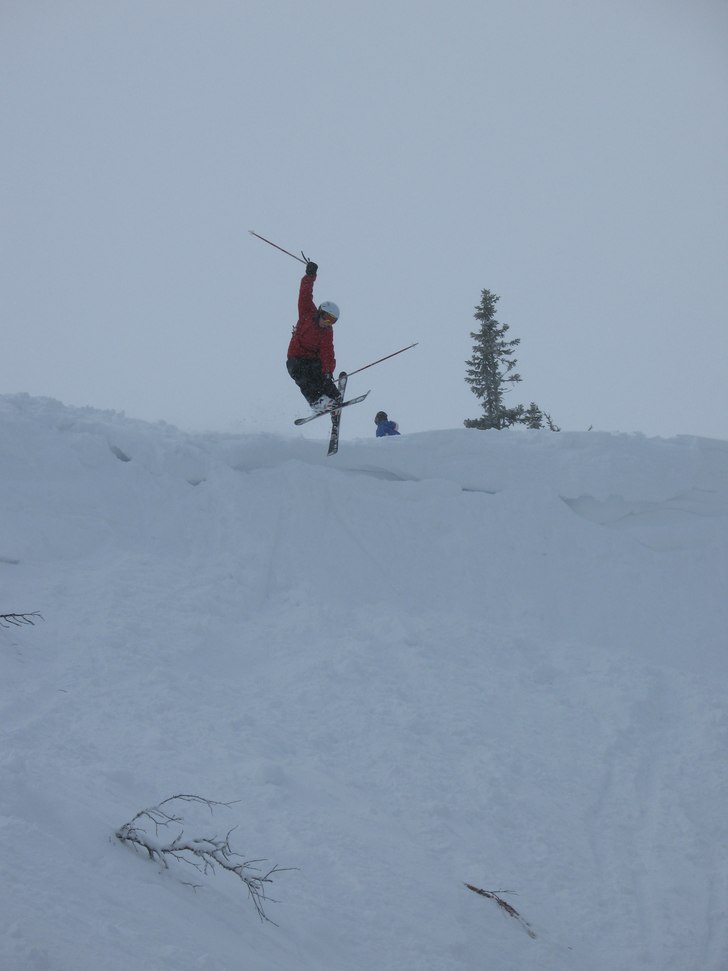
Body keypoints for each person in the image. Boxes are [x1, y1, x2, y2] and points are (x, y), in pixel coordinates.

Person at [286, 260, 342, 414]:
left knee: (321, 376)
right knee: (304, 377)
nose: (327, 322)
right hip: (296, 358)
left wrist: (329, 371)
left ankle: (333, 397)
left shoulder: (327, 332)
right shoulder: (307, 313)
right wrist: (310, 275)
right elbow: (304, 293)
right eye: (326, 317)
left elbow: (327, 351)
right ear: (320, 312)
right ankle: (316, 402)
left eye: (332, 321)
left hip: (312, 359)